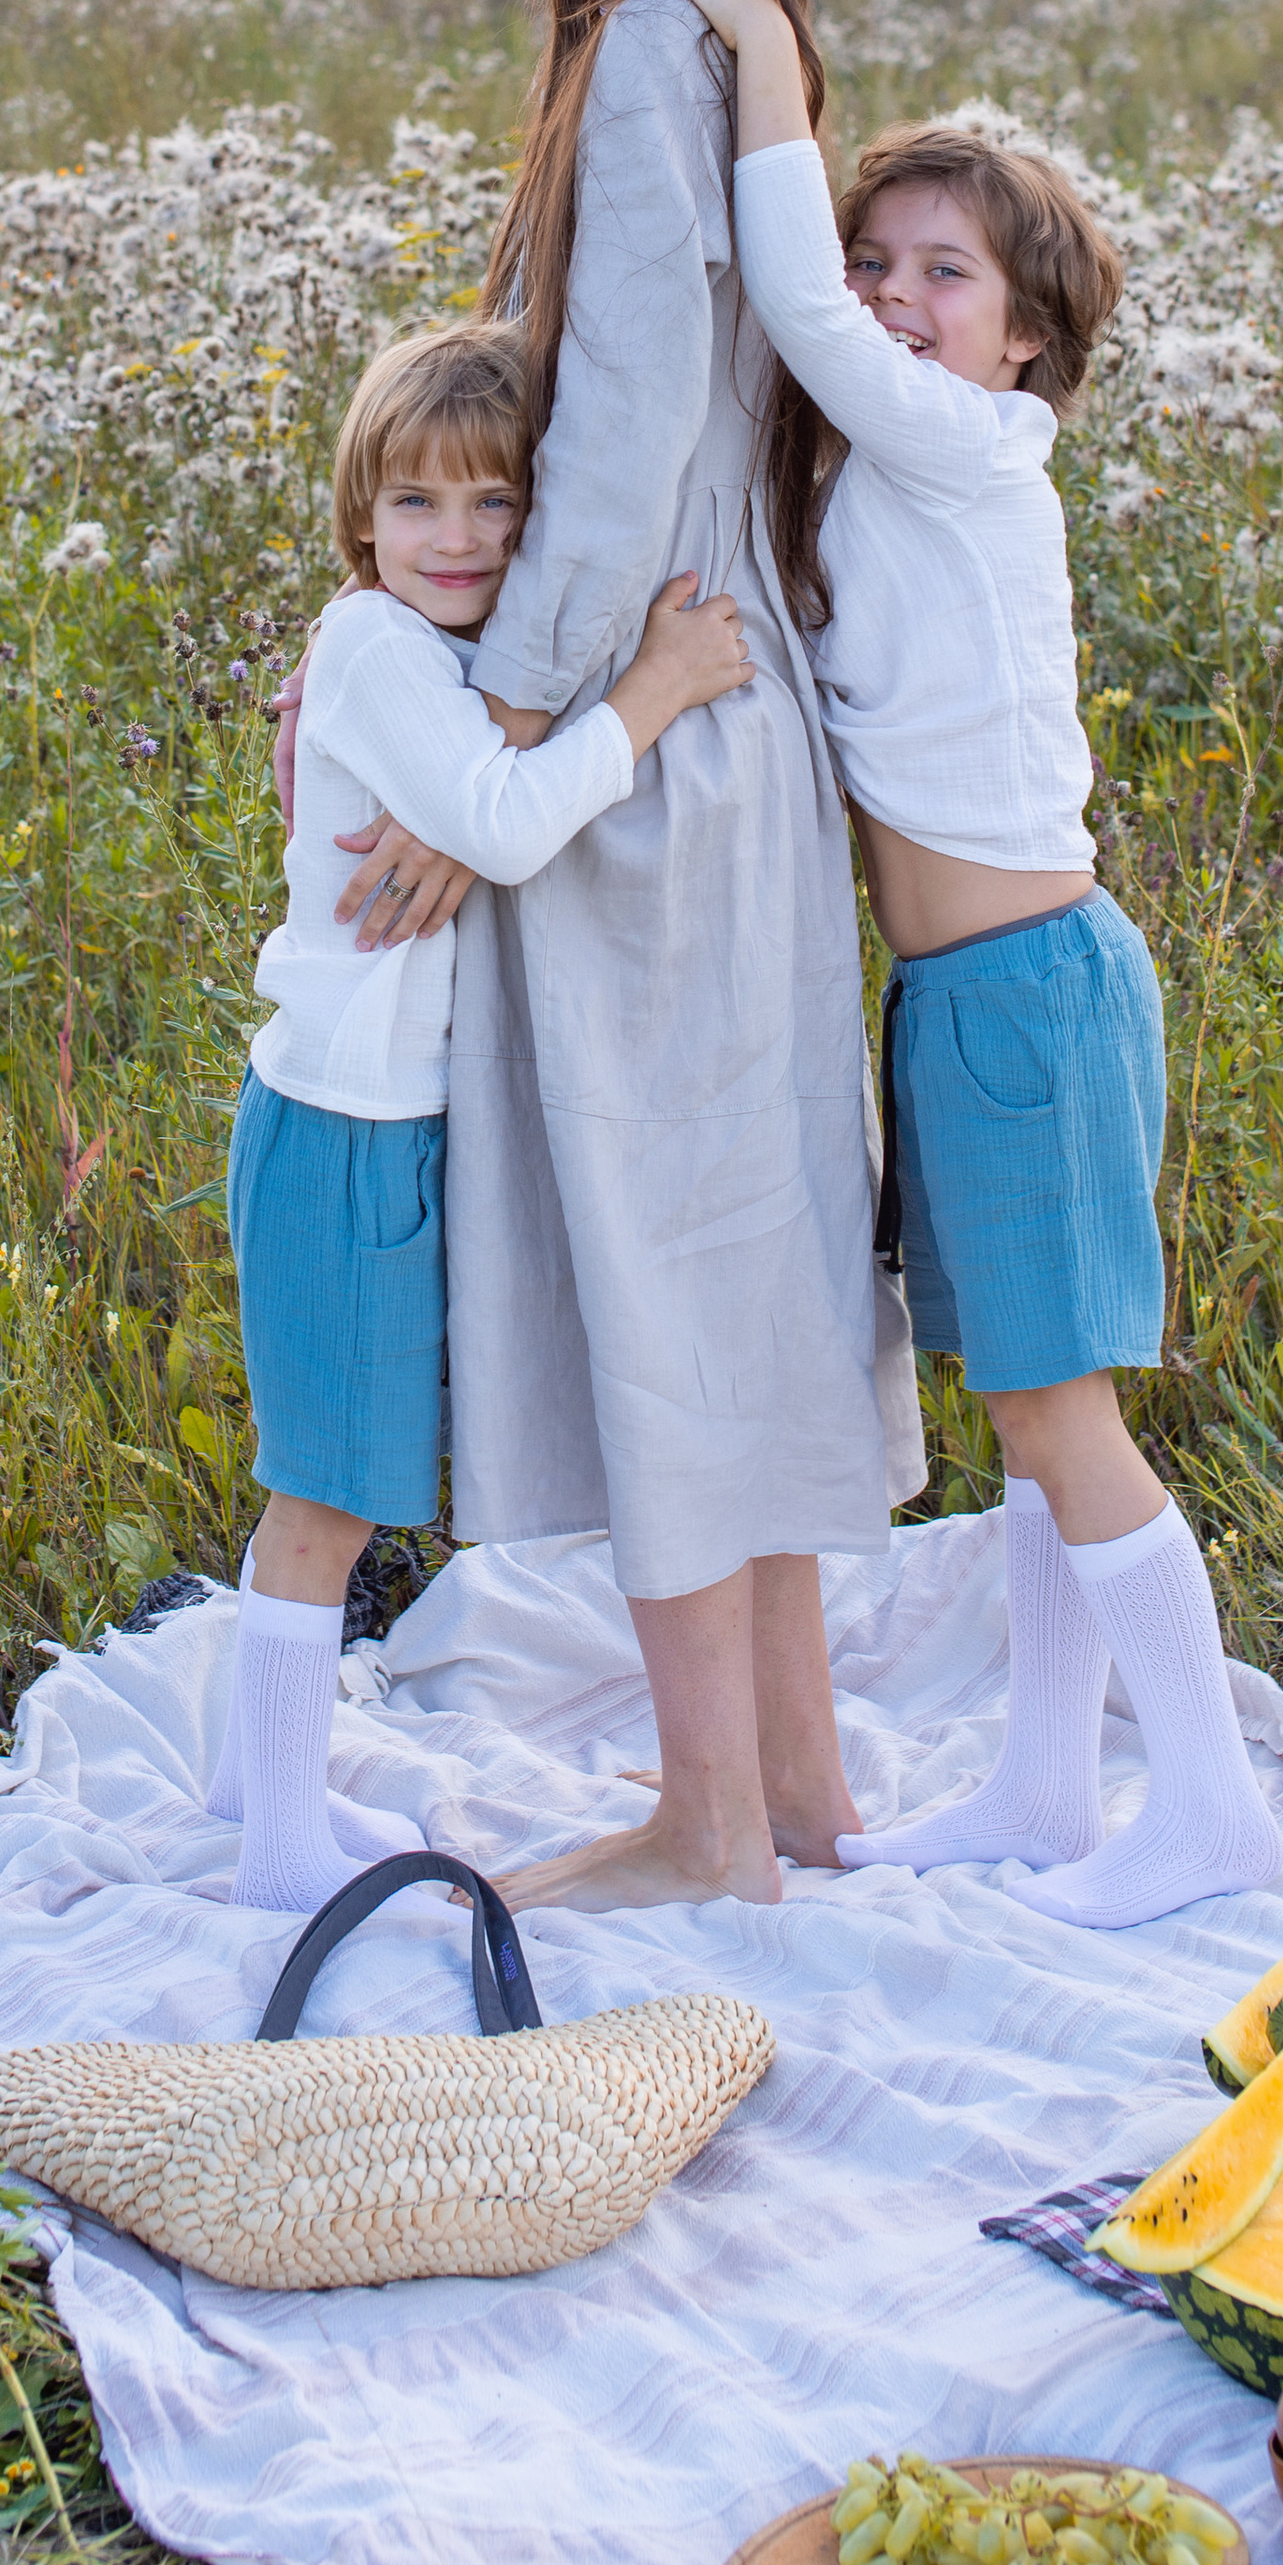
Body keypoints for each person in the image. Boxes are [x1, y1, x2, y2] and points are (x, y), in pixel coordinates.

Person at [358, 0, 928, 1918]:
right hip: (738, 707)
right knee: (744, 1243)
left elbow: (604, 449)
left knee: (670, 1265)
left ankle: (709, 1827)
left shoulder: (651, 59)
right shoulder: (747, 43)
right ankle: (790, 1781)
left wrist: (488, 734)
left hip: (646, 739)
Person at [674, 0, 1283, 1928]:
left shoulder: (958, 446)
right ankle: (1040, 1787)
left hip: (1026, 989)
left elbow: (786, 318)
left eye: (939, 273)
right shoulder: (886, 478)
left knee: (1057, 1410)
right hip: (959, 999)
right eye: (873, 255)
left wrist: (763, 58)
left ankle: (1199, 1809)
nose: (886, 296)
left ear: (1022, 348)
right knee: (1024, 1402)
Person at [212, 318, 753, 1912]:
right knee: (329, 1491)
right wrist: (655, 687)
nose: (454, 540)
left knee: (343, 1474)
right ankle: (277, 1843)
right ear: (359, 522)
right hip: (340, 1126)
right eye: (415, 507)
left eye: (493, 505)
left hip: (391, 1123)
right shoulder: (377, 648)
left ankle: (258, 1769)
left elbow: (486, 792)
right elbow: (508, 824)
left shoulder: (440, 659)